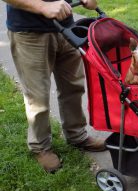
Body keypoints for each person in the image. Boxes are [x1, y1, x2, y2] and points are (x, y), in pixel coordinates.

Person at [4, 0, 105, 173]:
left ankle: (76, 135)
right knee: (38, 97)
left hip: (66, 28)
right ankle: (40, 147)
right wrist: (42, 6)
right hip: (30, 32)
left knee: (73, 87)